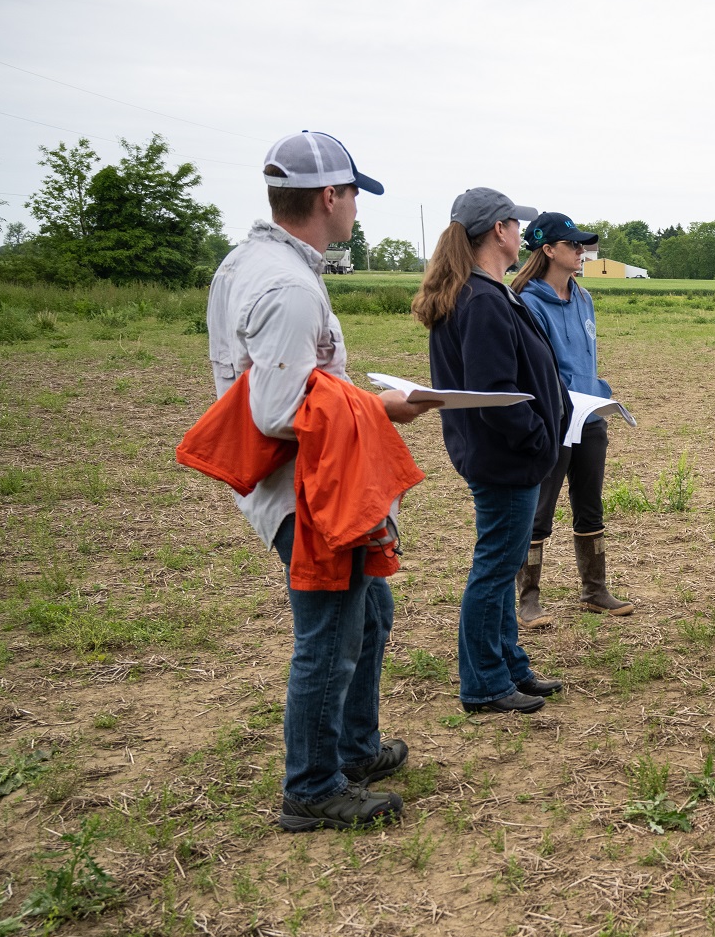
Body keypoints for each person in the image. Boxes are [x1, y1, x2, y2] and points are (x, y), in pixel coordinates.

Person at [206, 131, 439, 831]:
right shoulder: (286, 287)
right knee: (331, 634)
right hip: (306, 490)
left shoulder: (248, 265)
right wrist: (383, 407)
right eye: (355, 197)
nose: (358, 212)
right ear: (329, 197)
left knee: (370, 613)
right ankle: (311, 785)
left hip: (309, 481)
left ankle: (354, 748)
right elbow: (277, 410)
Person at [413, 188, 570, 714]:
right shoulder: (480, 299)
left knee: (503, 568)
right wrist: (538, 437)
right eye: (514, 224)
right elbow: (495, 394)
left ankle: (508, 666)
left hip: (505, 457)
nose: (521, 232)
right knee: (495, 569)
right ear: (498, 231)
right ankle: (483, 682)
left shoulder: (485, 291)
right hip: (506, 460)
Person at [510, 212, 634, 627]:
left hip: (590, 416)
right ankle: (528, 597)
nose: (582, 251)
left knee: (590, 504)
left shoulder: (583, 297)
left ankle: (594, 589)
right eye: (574, 245)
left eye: (582, 246)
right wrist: (561, 405)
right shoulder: (526, 302)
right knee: (539, 511)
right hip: (554, 419)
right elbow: (537, 369)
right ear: (548, 250)